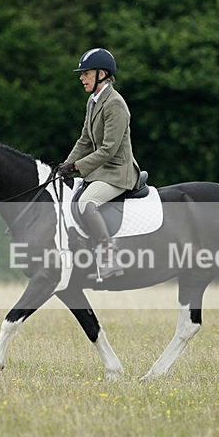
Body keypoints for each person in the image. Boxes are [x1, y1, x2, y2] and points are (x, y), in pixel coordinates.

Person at [58, 48, 141, 280]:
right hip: (101, 170)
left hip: (118, 172)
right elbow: (85, 140)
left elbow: (108, 149)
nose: (81, 77)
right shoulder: (93, 101)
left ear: (102, 74)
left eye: (86, 73)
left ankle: (109, 258)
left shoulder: (115, 104)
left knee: (87, 202)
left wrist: (76, 167)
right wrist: (66, 163)